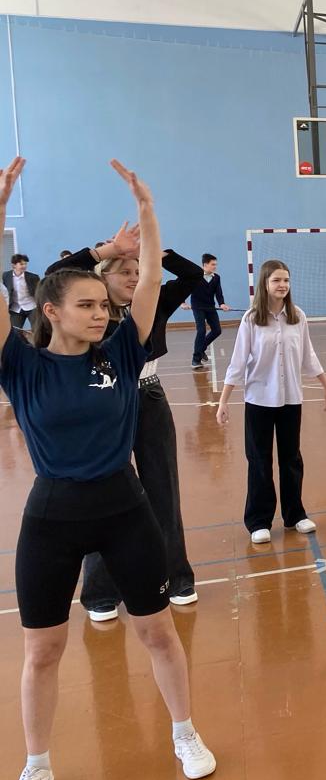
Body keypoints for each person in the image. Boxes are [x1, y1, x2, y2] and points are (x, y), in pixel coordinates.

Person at [0, 157, 217, 780]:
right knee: (42, 651)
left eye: (104, 304)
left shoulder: (121, 349)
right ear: (51, 310)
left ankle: (184, 732)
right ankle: (37, 762)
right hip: (52, 518)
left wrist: (148, 211)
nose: (101, 313)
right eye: (87, 305)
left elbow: (148, 279)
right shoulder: (21, 364)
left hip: (125, 509)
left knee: (157, 631)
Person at [46, 236, 206, 620]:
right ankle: (101, 593)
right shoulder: (93, 312)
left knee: (163, 489)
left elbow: (193, 275)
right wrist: (106, 251)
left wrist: (153, 253)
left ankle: (176, 578)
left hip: (149, 397)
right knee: (104, 495)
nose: (134, 277)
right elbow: (54, 276)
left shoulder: (153, 303)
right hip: (104, 403)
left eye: (138, 271)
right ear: (103, 278)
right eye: (125, 272)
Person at [216, 260, 326, 544]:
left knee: (291, 458)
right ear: (265, 284)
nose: (282, 285)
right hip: (259, 400)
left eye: (286, 280)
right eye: (276, 280)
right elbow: (238, 362)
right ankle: (259, 520)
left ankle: (295, 514)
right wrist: (223, 401)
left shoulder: (298, 317)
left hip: (291, 399)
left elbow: (308, 355)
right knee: (259, 460)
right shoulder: (251, 319)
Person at [184, 253, 229, 368]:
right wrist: (183, 302)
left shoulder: (216, 278)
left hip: (210, 307)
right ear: (205, 265)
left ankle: (201, 349)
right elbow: (184, 289)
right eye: (213, 264)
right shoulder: (195, 276)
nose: (215, 267)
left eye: (215, 264)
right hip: (198, 307)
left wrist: (222, 304)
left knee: (217, 330)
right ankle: (195, 360)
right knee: (201, 330)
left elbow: (219, 293)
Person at [3, 255, 39, 331]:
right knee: (14, 331)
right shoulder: (6, 275)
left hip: (31, 306)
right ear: (14, 265)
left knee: (37, 329)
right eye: (21, 264)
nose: (24, 266)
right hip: (16, 308)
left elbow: (39, 292)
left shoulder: (33, 277)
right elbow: (5, 291)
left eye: (25, 264)